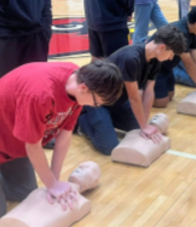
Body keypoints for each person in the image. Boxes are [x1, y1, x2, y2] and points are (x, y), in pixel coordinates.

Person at [0, 61, 125, 227]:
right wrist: (51, 184)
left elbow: (64, 137)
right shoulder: (40, 94)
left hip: (12, 144)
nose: (94, 107)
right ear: (84, 88)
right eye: (97, 102)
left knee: (25, 193)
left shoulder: (77, 84)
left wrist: (54, 182)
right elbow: (33, 147)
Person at [72, 26, 186, 155]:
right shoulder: (130, 58)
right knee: (109, 147)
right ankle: (81, 120)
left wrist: (144, 123)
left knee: (138, 129)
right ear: (162, 47)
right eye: (171, 54)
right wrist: (143, 126)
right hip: (97, 102)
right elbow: (134, 96)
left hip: (117, 102)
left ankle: (105, 122)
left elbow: (149, 92)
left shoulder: (155, 60)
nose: (171, 58)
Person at [148, 8, 196, 102]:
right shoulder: (181, 32)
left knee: (170, 96)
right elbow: (188, 64)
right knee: (162, 102)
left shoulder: (193, 31)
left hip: (167, 67)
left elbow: (195, 58)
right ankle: (141, 88)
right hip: (154, 67)